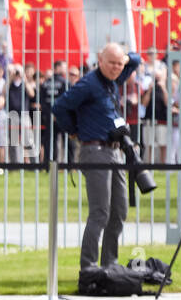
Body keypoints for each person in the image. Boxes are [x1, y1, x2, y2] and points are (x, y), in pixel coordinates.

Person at [51, 43, 141, 269]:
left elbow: (137, 59)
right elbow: (59, 107)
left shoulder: (113, 81)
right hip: (95, 150)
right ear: (100, 60)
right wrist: (74, 131)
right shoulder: (88, 84)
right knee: (100, 212)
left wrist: (123, 59)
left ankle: (110, 263)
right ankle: (88, 266)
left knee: (119, 211)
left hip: (115, 151)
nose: (116, 68)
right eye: (111, 63)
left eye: (120, 64)